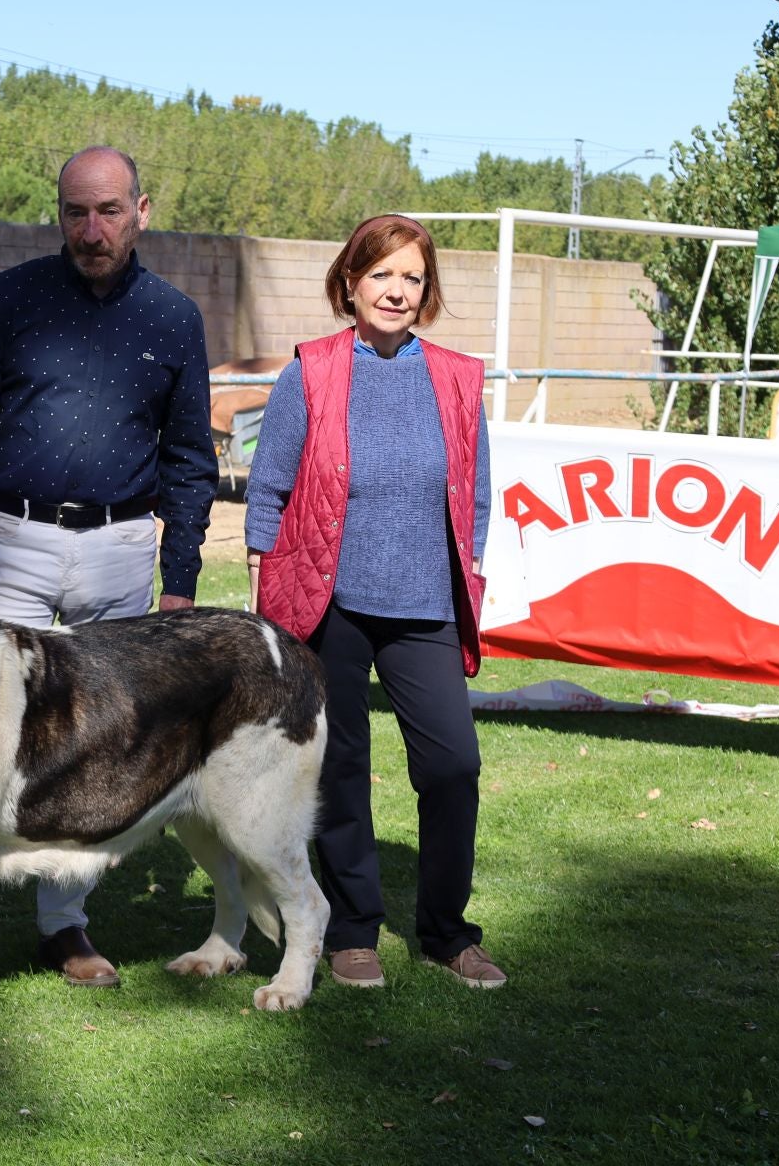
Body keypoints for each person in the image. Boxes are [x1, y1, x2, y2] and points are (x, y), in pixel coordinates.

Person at [0, 146, 219, 1003]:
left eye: (108, 211)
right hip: (14, 536)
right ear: (56, 214)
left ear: (143, 209)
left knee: (97, 738)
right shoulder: (11, 299)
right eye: (75, 212)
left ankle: (66, 920)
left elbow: (188, 459)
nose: (91, 229)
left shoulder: (175, 317)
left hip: (120, 546)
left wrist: (180, 582)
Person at [244, 214, 504, 992]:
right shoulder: (312, 372)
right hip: (330, 600)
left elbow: (475, 488)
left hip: (426, 602)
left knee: (454, 766)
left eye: (412, 278)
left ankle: (448, 932)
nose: (396, 290)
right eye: (382, 274)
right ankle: (352, 931)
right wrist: (267, 598)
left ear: (427, 292)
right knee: (340, 767)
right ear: (350, 282)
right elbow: (270, 487)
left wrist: (475, 559)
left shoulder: (456, 377)